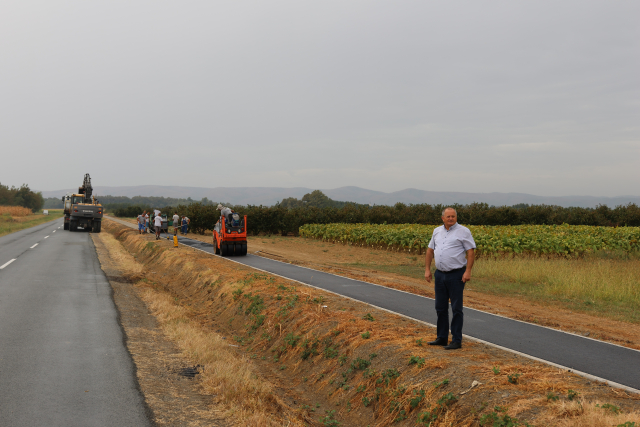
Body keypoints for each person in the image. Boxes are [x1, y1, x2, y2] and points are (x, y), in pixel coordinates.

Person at [424, 207, 476, 350]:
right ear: (443, 218)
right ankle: (441, 337)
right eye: (448, 216)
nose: (451, 218)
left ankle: (456, 340)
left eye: (453, 216)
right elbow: (430, 251)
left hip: (456, 275)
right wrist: (427, 269)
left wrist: (468, 271)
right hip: (440, 274)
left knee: (456, 308)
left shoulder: (463, 231)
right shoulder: (437, 231)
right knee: (440, 307)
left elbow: (470, 252)